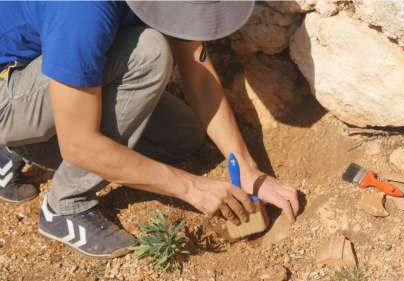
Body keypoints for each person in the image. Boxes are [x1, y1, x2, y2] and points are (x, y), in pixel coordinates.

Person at [0, 1, 299, 258]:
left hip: (52, 63)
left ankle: (35, 137)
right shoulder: (82, 9)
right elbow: (77, 144)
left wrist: (248, 170)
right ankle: (64, 204)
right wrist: (193, 188)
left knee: (183, 136)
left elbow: (197, 70)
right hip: (8, 87)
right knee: (150, 53)